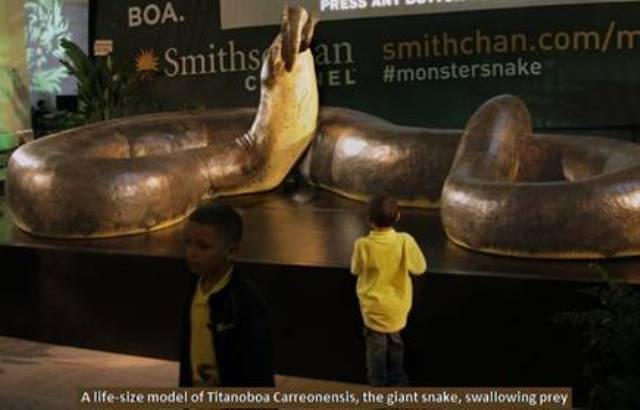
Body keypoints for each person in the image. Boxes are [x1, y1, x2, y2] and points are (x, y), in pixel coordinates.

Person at [179, 203, 274, 387]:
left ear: (231, 251)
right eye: (188, 243)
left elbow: (258, 363)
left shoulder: (245, 299)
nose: (192, 253)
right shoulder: (191, 286)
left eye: (203, 246)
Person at [350, 195, 427, 386]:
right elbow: (420, 268)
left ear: (369, 221)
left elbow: (355, 270)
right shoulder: (405, 241)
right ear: (398, 216)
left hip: (373, 310)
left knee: (375, 350)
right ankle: (398, 383)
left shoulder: (362, 245)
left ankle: (378, 387)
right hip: (396, 310)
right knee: (396, 345)